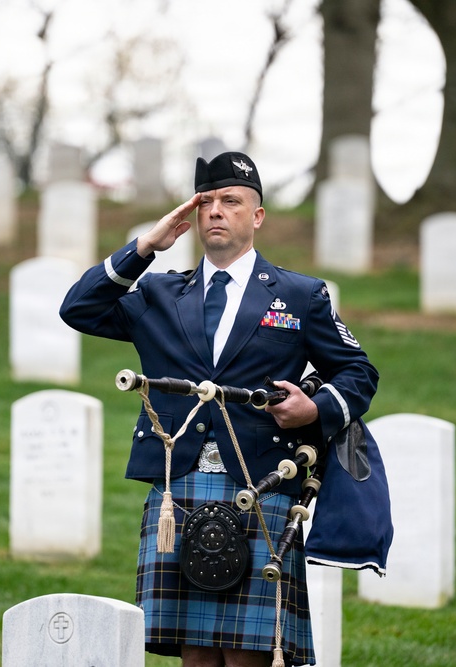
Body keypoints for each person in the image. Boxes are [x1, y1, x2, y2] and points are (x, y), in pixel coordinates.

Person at [59, 152, 385, 667]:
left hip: (262, 484)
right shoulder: (160, 293)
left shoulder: (300, 296)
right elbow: (78, 308)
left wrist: (312, 409)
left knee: (248, 654)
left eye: (230, 201)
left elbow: (359, 373)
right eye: (205, 202)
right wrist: (144, 247)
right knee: (196, 655)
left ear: (256, 216)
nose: (214, 211)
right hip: (178, 485)